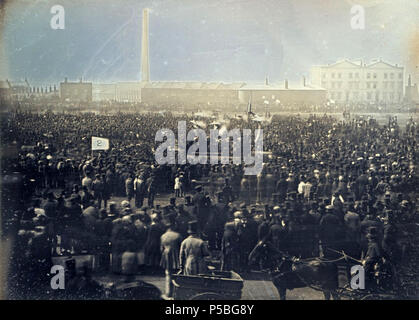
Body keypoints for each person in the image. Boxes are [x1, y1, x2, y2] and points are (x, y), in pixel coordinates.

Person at [160, 215, 182, 298]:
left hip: (166, 256)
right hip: (175, 256)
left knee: (168, 274)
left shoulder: (163, 236)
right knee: (176, 275)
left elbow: (161, 249)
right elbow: (180, 248)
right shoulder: (178, 235)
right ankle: (175, 293)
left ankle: (168, 292)